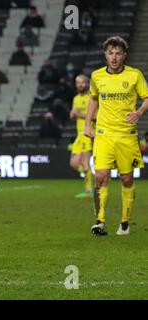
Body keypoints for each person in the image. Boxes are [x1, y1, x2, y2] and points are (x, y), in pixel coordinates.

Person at [84, 36, 148, 236]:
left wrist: (139, 112)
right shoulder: (96, 76)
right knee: (100, 178)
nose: (114, 57)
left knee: (127, 179)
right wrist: (87, 124)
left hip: (126, 136)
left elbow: (147, 98)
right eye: (110, 53)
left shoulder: (135, 75)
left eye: (118, 53)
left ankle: (125, 222)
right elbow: (93, 99)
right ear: (105, 54)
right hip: (103, 135)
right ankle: (100, 221)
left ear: (124, 55)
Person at [69, 75, 93, 199]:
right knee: (73, 163)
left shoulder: (92, 98)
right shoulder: (76, 98)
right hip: (79, 135)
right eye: (77, 82)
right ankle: (90, 175)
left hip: (88, 133)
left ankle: (89, 190)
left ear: (87, 83)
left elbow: (96, 117)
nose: (79, 85)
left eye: (82, 82)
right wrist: (73, 115)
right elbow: (73, 115)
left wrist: (81, 115)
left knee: (85, 163)